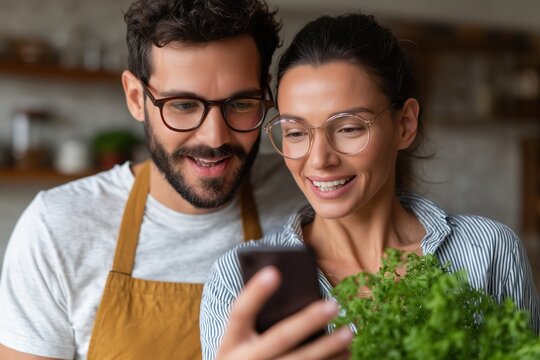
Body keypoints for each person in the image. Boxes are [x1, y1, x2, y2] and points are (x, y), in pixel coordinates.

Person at [200, 12, 540, 359]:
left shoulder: (488, 252)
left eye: (348, 128)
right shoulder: (237, 281)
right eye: (296, 133)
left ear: (405, 124)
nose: (319, 159)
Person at [0, 0, 313, 359]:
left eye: (240, 104)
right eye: (183, 105)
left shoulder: (308, 191)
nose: (214, 137)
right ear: (136, 98)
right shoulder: (57, 227)